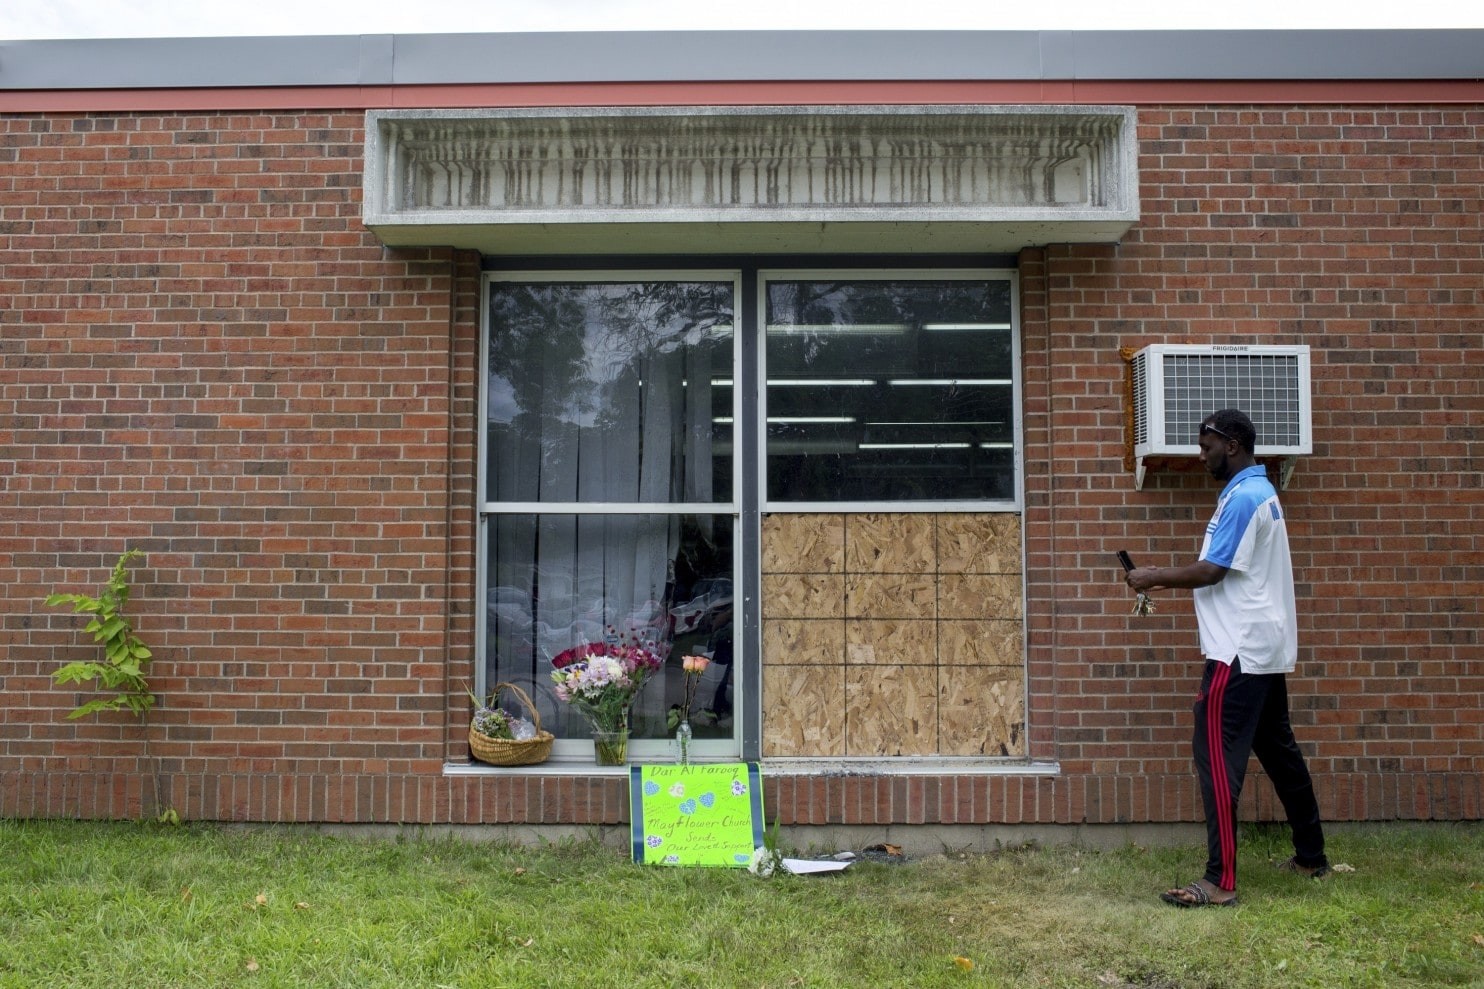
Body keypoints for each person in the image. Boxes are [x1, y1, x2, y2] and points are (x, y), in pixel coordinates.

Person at [1126, 408, 1329, 908]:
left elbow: (1213, 571)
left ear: (1232, 443)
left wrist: (1152, 576)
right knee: (1281, 754)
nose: (1201, 456)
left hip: (1235, 652)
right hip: (1262, 647)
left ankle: (1219, 882)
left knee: (1216, 760)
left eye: (1206, 446)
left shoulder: (1244, 497)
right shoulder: (1260, 492)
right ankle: (1311, 857)